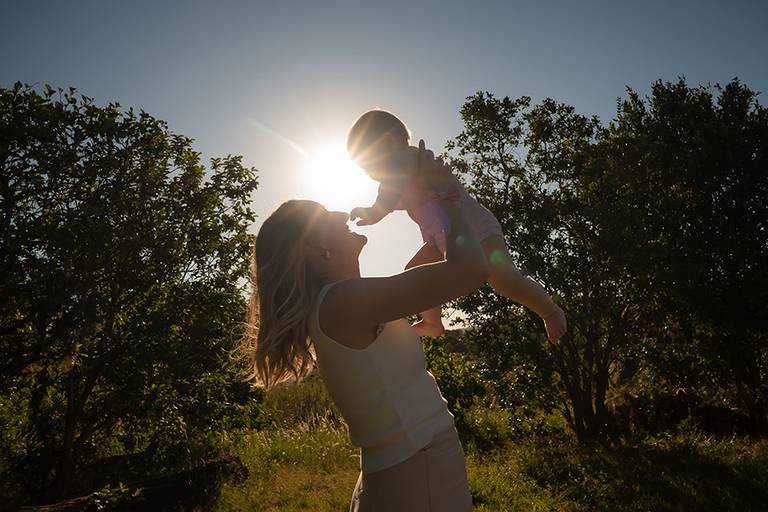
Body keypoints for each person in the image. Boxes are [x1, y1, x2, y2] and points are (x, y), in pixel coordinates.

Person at [239, 146, 485, 510]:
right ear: (316, 247)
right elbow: (471, 270)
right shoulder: (343, 302)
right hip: (419, 470)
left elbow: (430, 271)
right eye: (325, 215)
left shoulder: (341, 304)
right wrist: (447, 195)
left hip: (407, 466)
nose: (341, 212)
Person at [347, 109, 567, 341]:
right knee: (416, 273)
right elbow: (398, 196)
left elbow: (389, 192)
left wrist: (375, 211)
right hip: (442, 237)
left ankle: (550, 311)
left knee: (504, 279)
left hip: (474, 227)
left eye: (366, 165)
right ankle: (432, 322)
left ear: (388, 142)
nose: (368, 174)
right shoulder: (408, 171)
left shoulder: (405, 159)